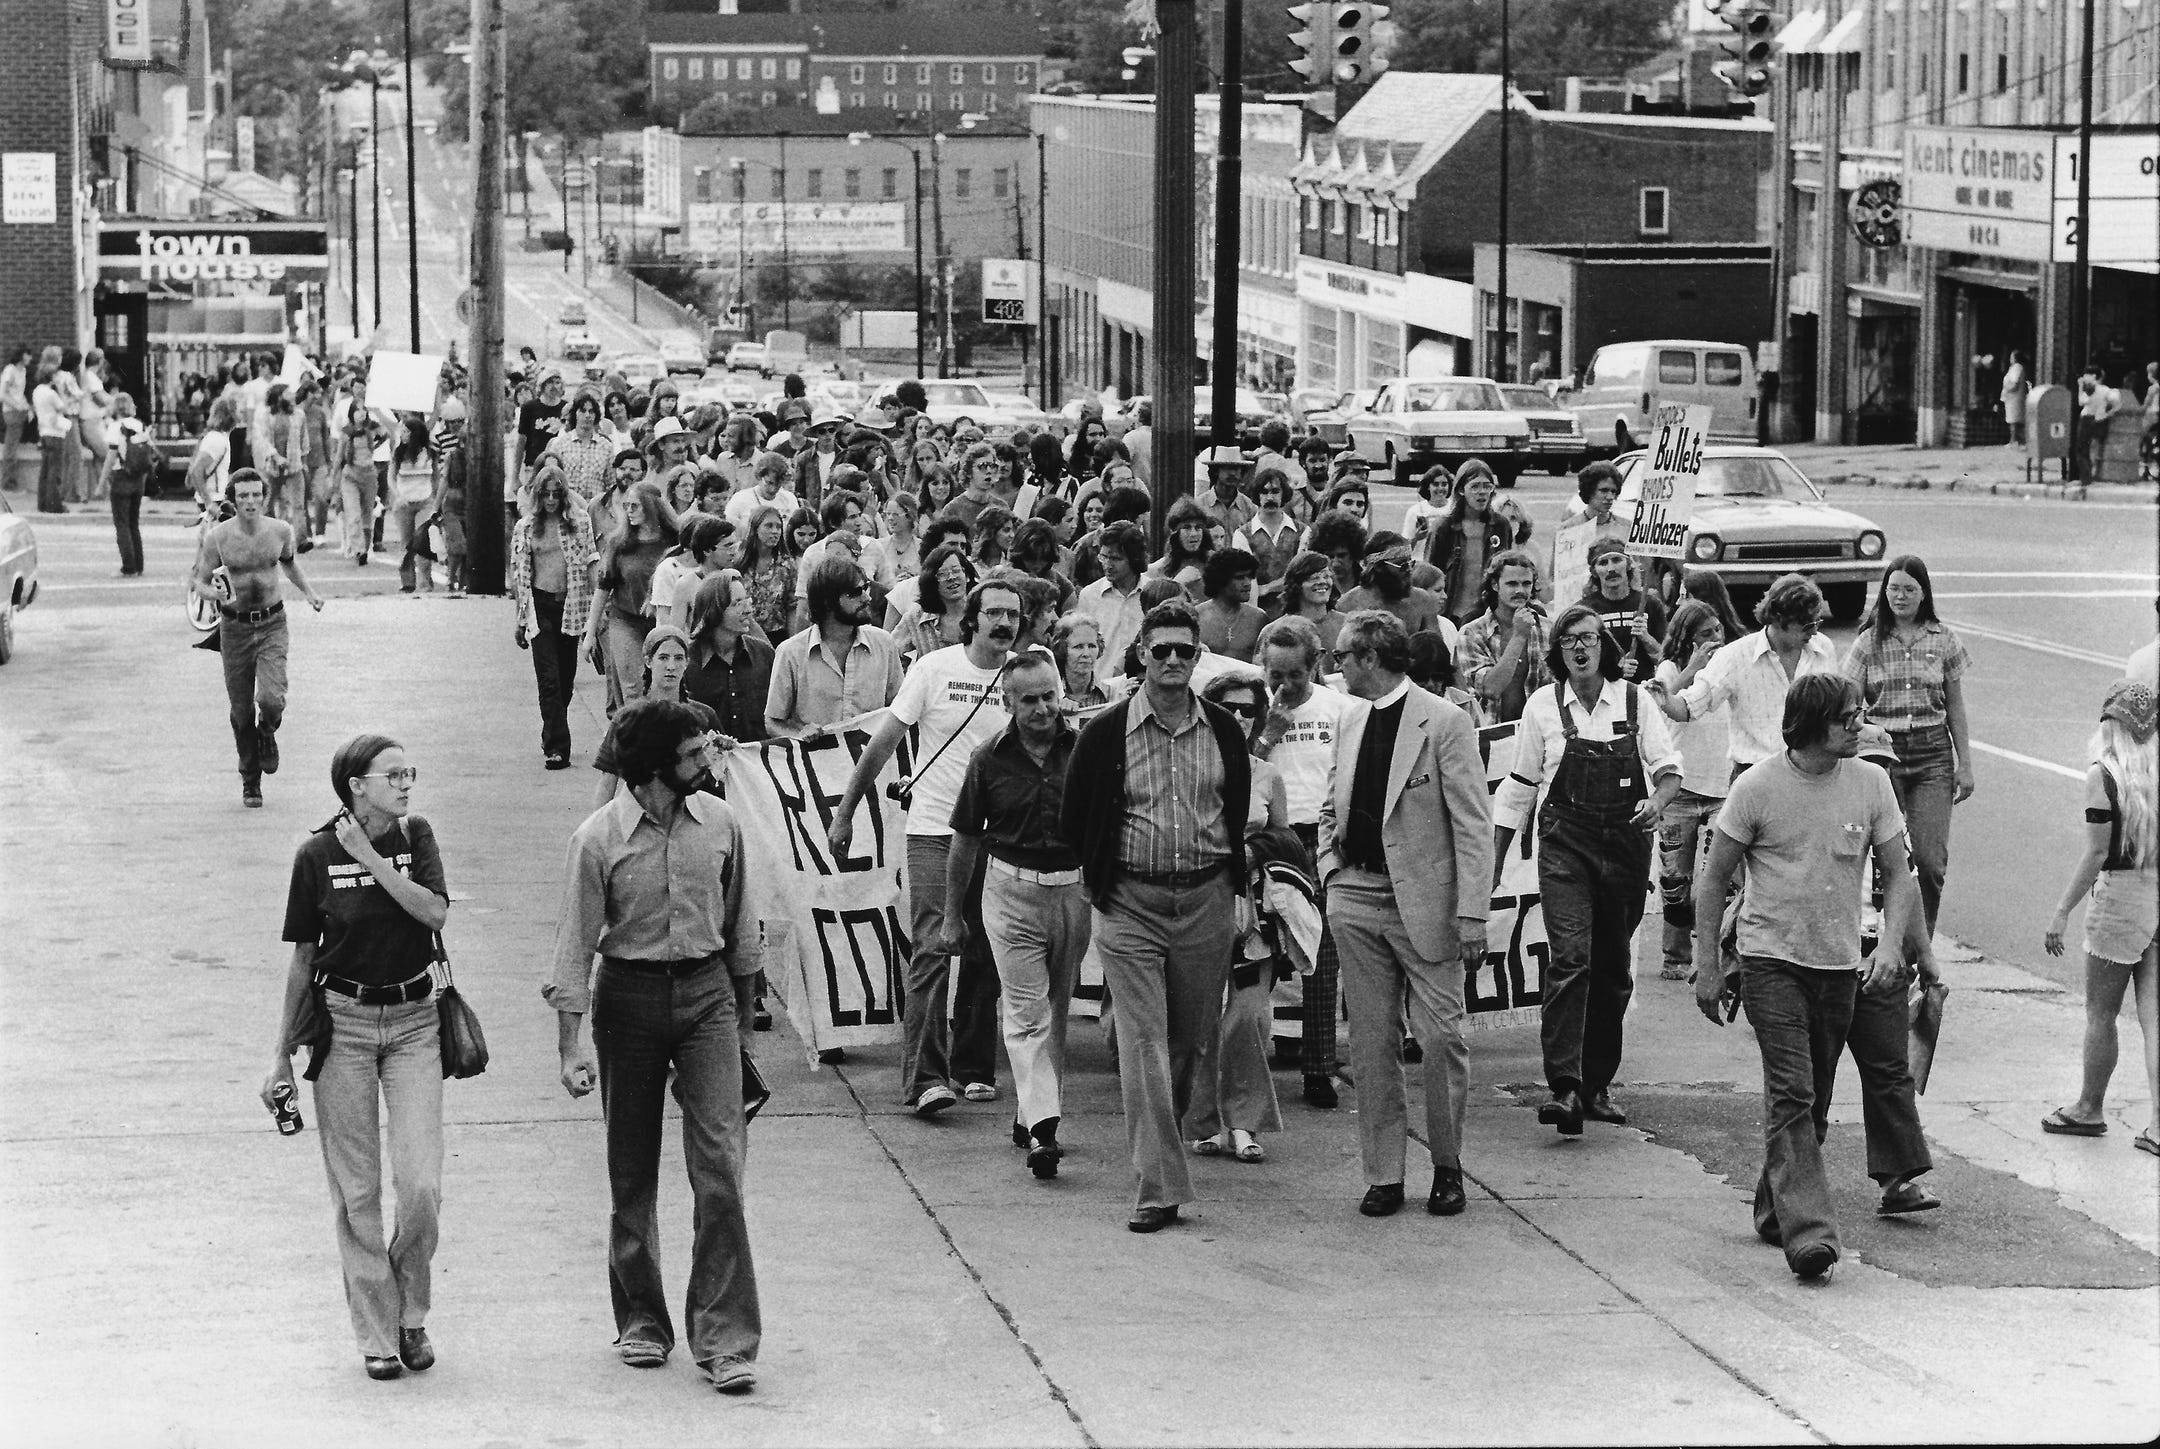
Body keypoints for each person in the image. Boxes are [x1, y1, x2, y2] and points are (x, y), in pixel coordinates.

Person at [548, 700, 764, 1394]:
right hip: (629, 1001)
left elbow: (741, 928)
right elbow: (575, 945)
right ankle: (642, 1318)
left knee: (721, 1168)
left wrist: (742, 1021)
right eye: (694, 753)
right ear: (654, 767)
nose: (708, 762)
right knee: (631, 1169)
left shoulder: (722, 823)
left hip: (707, 997)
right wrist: (569, 1046)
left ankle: (726, 1337)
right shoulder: (597, 838)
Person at [1693, 674, 1920, 1283]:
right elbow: (1713, 879)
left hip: (1837, 964)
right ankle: (1811, 1236)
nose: (1860, 723)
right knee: (1792, 1093)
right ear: (1814, 723)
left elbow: (1901, 875)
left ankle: (1774, 1209)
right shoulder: (1757, 787)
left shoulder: (1871, 783)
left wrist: (1892, 947)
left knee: (1813, 1103)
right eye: (1850, 715)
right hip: (1770, 962)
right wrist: (1708, 966)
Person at [1060, 600, 1252, 1233]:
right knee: (1143, 1042)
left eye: (1184, 651)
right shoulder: (1104, 733)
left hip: (1205, 899)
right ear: (1141, 653)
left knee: (1191, 1040)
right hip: (1131, 904)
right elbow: (1074, 817)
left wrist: (1238, 891)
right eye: (1161, 649)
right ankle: (1158, 1185)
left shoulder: (1224, 730)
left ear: (1198, 659)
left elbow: (1236, 812)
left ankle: (1159, 1147)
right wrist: (1099, 882)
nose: (1172, 661)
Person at [266, 734, 450, 1380]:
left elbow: (433, 911)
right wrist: (280, 1056)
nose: (405, 783)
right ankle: (379, 1332)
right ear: (357, 786)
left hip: (414, 1023)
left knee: (421, 1182)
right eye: (392, 774)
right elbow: (302, 959)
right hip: (341, 1025)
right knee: (358, 1190)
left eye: (410, 771)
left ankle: (412, 1311)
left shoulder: (414, 836)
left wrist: (370, 857)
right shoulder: (314, 856)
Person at [1319, 609, 1493, 1219]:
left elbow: (1474, 822)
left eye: (1342, 655)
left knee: (1443, 1038)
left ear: (1370, 657)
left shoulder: (1444, 721)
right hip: (1357, 897)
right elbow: (1329, 800)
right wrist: (1330, 872)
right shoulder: (1349, 718)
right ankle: (1384, 1174)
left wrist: (1473, 911)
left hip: (1428, 903)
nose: (1334, 666)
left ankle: (1447, 1167)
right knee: (1371, 1044)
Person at [830, 581, 1021, 1115]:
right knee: (934, 946)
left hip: (1000, 837)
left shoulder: (1024, 677)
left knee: (987, 950)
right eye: (994, 613)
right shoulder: (933, 669)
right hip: (936, 829)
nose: (1002, 623)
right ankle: (924, 1079)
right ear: (973, 618)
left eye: (1013, 614)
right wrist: (845, 813)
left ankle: (974, 1067)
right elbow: (883, 742)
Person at [1494, 605, 1682, 1135]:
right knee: (1570, 956)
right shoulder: (1542, 706)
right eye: (1570, 640)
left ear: (1605, 647)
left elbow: (1669, 773)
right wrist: (1495, 862)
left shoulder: (1635, 700)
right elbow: (1520, 788)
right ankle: (1565, 1087)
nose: (1580, 649)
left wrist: (1657, 804)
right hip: (1565, 847)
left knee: (1611, 967)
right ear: (1557, 650)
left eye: (1590, 639)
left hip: (1624, 846)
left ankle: (1598, 1083)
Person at [943, 653, 1091, 1178]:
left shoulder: (1084, 751)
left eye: (1049, 695)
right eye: (1029, 699)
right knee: (1027, 1015)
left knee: (1056, 1009)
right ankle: (1044, 1132)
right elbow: (964, 838)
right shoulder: (987, 759)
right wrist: (951, 916)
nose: (1043, 708)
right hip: (1008, 892)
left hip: (1072, 891)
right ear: (1006, 701)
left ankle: (1029, 1110)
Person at [2040, 681, 2158, 1155]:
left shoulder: (2103, 775)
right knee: (2155, 1019)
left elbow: (2094, 854)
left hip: (2121, 899)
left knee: (2101, 1014)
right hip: (2158, 891)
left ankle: (2089, 1108)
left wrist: (2061, 911)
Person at [1181, 672, 1288, 1166]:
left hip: (1255, 916)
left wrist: (1254, 848)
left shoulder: (1267, 774)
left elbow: (1287, 841)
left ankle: (1242, 1123)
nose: (1241, 718)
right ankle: (1204, 1119)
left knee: (1246, 1017)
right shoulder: (1190, 768)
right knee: (1200, 1018)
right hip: (1198, 905)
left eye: (1249, 710)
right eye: (1230, 709)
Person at [1841, 556, 1974, 937]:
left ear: (1923, 594)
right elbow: (1847, 704)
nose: (1900, 596)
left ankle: (1920, 948)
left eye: (1909, 589)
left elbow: (1955, 706)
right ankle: (1883, 940)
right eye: (1894, 588)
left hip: (1933, 754)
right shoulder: (1868, 642)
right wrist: (1862, 734)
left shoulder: (1942, 638)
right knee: (1890, 858)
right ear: (1884, 592)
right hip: (1883, 756)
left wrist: (1965, 764)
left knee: (1930, 863)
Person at [1253, 615, 1353, 1106]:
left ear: (1316, 666)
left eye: (1296, 675)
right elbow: (1238, 767)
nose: (1286, 685)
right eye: (1277, 675)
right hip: (1270, 836)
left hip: (1323, 834)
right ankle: (1245, 1062)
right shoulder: (1251, 703)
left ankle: (1319, 1066)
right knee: (1258, 953)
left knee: (1322, 954)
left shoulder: (1340, 708)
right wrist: (1268, 731)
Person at [191, 469, 326, 807]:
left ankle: (267, 732)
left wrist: (309, 593)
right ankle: (250, 780)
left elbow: (290, 564)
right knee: (239, 711)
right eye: (243, 496)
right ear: (233, 499)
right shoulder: (218, 538)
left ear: (264, 497)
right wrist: (215, 595)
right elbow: (198, 581)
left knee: (271, 699)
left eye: (255, 495)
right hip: (234, 628)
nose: (250, 502)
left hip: (271, 624)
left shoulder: (280, 531)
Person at [1652, 573, 1838, 778]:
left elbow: (1836, 709)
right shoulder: (1734, 656)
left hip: (1814, 772)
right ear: (1777, 618)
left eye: (1816, 623)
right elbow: (1688, 708)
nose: (1813, 632)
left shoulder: (1823, 648)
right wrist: (1664, 698)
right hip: (1756, 775)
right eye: (1806, 626)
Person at [1651, 600, 1733, 979]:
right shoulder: (1670, 668)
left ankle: (1714, 958)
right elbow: (1659, 701)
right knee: (1675, 881)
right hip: (1680, 789)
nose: (1714, 639)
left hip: (1722, 788)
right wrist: (1693, 669)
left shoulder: (1731, 665)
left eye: (1717, 630)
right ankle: (1675, 956)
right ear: (1686, 637)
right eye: (1705, 634)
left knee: (1719, 879)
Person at [765, 555, 906, 741]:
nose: (867, 597)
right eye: (854, 593)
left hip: (872, 761)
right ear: (827, 602)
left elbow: (901, 707)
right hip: (818, 763)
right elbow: (773, 722)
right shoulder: (791, 652)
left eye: (865, 588)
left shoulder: (883, 643)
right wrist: (798, 734)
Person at [512, 472, 598, 770]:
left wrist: (596, 616)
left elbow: (590, 563)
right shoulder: (525, 527)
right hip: (540, 608)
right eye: (545, 494)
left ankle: (552, 728)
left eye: (556, 494)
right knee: (548, 679)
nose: (550, 500)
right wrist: (520, 620)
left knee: (564, 681)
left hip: (571, 607)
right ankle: (557, 747)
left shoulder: (580, 522)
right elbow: (519, 575)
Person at [589, 481, 680, 714]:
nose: (629, 511)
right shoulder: (619, 543)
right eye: (626, 505)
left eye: (635, 506)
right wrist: (590, 634)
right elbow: (603, 588)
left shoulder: (674, 541)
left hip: (663, 621)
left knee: (664, 688)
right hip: (625, 620)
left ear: (651, 507)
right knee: (634, 689)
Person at [1457, 549, 1550, 724]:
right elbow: (1491, 689)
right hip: (1491, 735)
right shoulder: (1472, 633)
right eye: (1512, 584)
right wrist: (1519, 636)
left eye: (1526, 583)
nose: (1520, 590)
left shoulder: (1548, 629)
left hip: (1539, 731)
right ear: (1495, 585)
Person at [681, 570, 774, 745]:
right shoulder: (687, 662)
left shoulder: (764, 654)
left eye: (747, 601)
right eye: (737, 603)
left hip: (758, 763)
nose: (748, 610)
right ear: (714, 610)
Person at [1423, 461, 1515, 624]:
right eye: (1475, 486)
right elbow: (1427, 576)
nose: (1482, 492)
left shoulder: (1501, 526)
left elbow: (1507, 571)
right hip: (1451, 614)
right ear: (1461, 490)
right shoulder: (1444, 527)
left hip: (1487, 615)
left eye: (1487, 486)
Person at [1578, 538, 1664, 680]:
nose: (1611, 569)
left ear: (1629, 564)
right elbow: (1580, 663)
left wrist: (1646, 638)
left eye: (1617, 560)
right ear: (1593, 571)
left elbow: (1666, 662)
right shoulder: (1584, 610)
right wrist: (1615, 672)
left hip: (1643, 693)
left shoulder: (1650, 604)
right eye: (1603, 563)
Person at [1077, 521, 1149, 688]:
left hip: (1142, 686)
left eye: (1116, 558)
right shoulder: (1090, 595)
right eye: (1104, 557)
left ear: (1134, 558)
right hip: (1102, 688)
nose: (1108, 565)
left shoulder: (1150, 593)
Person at [1232, 469, 1304, 612]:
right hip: (1257, 613)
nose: (1269, 497)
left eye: (1275, 491)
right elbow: (1244, 581)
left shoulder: (1302, 531)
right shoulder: (1242, 535)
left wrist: (1267, 588)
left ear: (1284, 493)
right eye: (1264, 492)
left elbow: (1301, 576)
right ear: (1257, 496)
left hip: (1294, 611)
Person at [385, 418, 441, 595]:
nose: (402, 435)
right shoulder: (399, 453)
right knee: (407, 544)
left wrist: (435, 500)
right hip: (404, 504)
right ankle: (407, 582)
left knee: (423, 543)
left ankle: (425, 583)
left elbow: (436, 478)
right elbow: (391, 477)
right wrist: (397, 495)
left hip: (424, 501)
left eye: (406, 432)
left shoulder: (431, 453)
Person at [332, 386, 386, 563]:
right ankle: (358, 549)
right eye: (358, 410)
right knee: (353, 513)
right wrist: (333, 481)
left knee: (367, 514)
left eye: (364, 410)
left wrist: (375, 448)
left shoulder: (372, 429)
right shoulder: (346, 433)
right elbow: (339, 458)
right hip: (351, 475)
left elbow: (387, 434)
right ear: (351, 413)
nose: (361, 414)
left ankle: (365, 546)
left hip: (369, 474)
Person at [1273, 551, 1347, 673]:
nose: (1322, 581)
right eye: (1314, 578)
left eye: (1326, 576)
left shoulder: (1347, 625)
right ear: (1296, 585)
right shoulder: (1275, 630)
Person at [104, 394, 153, 576]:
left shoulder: (115, 427)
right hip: (137, 478)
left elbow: (111, 456)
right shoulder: (139, 425)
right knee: (134, 523)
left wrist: (102, 482)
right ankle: (139, 565)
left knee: (122, 523)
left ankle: (128, 566)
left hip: (121, 476)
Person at [1195, 548, 1267, 664]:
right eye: (1240, 577)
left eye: (1249, 576)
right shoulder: (1196, 617)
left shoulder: (1259, 618)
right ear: (1221, 580)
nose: (1247, 583)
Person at [1050, 614, 1118, 720]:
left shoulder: (1112, 695)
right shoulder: (1051, 695)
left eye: (1092, 646)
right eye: (1078, 647)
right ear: (1063, 650)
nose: (1086, 653)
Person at [31, 352, 74, 513]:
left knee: (45, 470)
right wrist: (62, 392)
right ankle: (54, 504)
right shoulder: (51, 394)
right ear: (51, 377)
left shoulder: (37, 391)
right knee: (55, 471)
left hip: (44, 431)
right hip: (56, 433)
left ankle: (42, 502)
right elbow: (64, 407)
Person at [1151, 496, 1214, 596]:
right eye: (1187, 528)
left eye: (1198, 527)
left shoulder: (1215, 563)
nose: (1193, 534)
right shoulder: (1158, 569)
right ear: (1175, 533)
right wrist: (1177, 583)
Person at [1195, 447, 1258, 537]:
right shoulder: (1199, 505)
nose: (1232, 473)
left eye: (1236, 469)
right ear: (1216, 471)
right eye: (1227, 468)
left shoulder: (1249, 507)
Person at [2000, 350, 2029, 446]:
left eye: (2011, 357)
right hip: (2011, 398)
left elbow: (2015, 383)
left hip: (2014, 397)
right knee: (2012, 418)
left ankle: (2014, 440)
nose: (2010, 359)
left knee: (2014, 419)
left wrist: (2007, 390)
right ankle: (2016, 440)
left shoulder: (2017, 368)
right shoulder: (2014, 368)